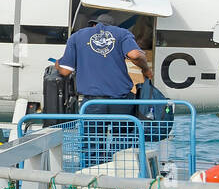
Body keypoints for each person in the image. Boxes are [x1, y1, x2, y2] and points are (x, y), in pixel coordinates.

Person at [56, 12, 152, 167]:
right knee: (123, 146)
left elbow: (65, 71)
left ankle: (93, 183)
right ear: (112, 27)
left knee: (92, 146)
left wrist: (57, 64)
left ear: (93, 24)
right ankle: (123, 182)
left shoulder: (77, 36)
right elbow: (135, 55)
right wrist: (146, 70)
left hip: (93, 103)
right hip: (121, 101)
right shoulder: (121, 33)